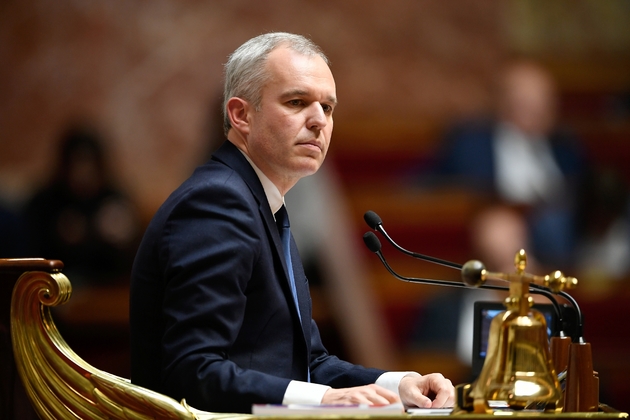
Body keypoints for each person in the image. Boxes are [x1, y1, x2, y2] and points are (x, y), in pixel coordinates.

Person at [129, 32, 454, 413]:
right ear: (241, 115)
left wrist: (399, 384)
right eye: (297, 102)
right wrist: (325, 398)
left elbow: (309, 363)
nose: (319, 121)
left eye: (328, 108)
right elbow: (193, 370)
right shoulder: (217, 203)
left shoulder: (263, 203)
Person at [427, 59, 588, 268]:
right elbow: (434, 184)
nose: (536, 108)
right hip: (500, 227)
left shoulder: (566, 146)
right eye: (526, 99)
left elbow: (583, 193)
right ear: (503, 101)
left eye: (543, 100)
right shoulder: (471, 141)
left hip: (565, 232)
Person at [23, 123, 141, 286]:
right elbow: (31, 255)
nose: (83, 171)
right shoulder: (45, 202)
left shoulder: (113, 201)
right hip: (52, 289)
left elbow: (132, 261)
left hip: (104, 291)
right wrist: (59, 236)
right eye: (77, 163)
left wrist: (124, 238)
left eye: (89, 163)